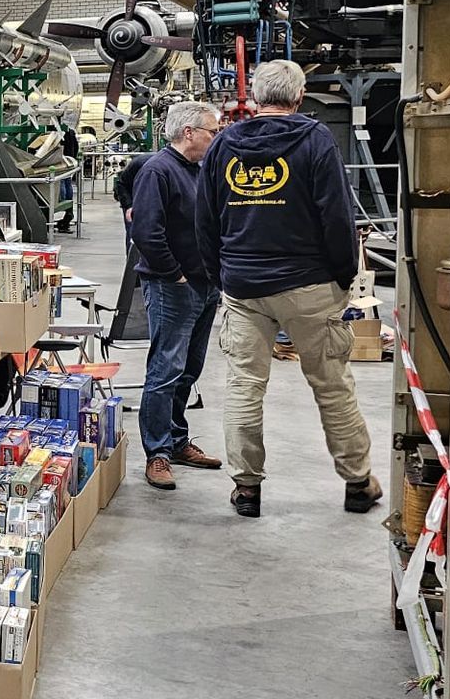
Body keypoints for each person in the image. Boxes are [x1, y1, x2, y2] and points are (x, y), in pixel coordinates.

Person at [196, 59, 379, 519]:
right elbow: (337, 216)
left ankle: (246, 489)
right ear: (299, 97)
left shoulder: (223, 145)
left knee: (244, 385)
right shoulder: (316, 140)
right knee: (332, 385)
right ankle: (358, 483)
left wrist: (223, 276)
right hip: (310, 284)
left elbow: (206, 220)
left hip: (244, 286)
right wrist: (343, 276)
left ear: (256, 97)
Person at [129, 102, 224, 490]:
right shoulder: (158, 171)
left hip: (205, 286)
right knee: (164, 370)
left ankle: (177, 440)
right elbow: (145, 232)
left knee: (189, 369)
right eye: (212, 132)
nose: (215, 138)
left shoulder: (200, 171)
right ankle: (157, 453)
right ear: (189, 132)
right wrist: (176, 275)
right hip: (173, 288)